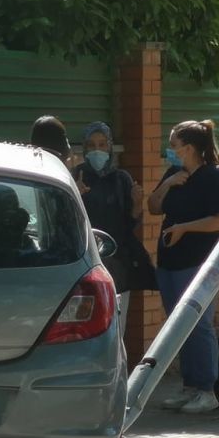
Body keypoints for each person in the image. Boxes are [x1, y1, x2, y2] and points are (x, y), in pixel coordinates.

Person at [147, 119, 219, 414]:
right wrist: (167, 185)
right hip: (170, 262)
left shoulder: (216, 178)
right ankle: (189, 387)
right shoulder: (174, 173)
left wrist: (185, 228)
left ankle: (206, 390)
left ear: (188, 148)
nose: (169, 150)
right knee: (178, 325)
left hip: (199, 264)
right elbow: (153, 207)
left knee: (198, 325)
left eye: (173, 145)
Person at [75, 122, 157, 344]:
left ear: (110, 146)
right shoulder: (77, 176)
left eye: (102, 144)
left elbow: (130, 224)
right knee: (86, 328)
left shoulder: (121, 179)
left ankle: (117, 375)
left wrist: (137, 205)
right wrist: (77, 196)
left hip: (117, 263)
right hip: (85, 262)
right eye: (91, 145)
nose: (97, 150)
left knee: (116, 327)